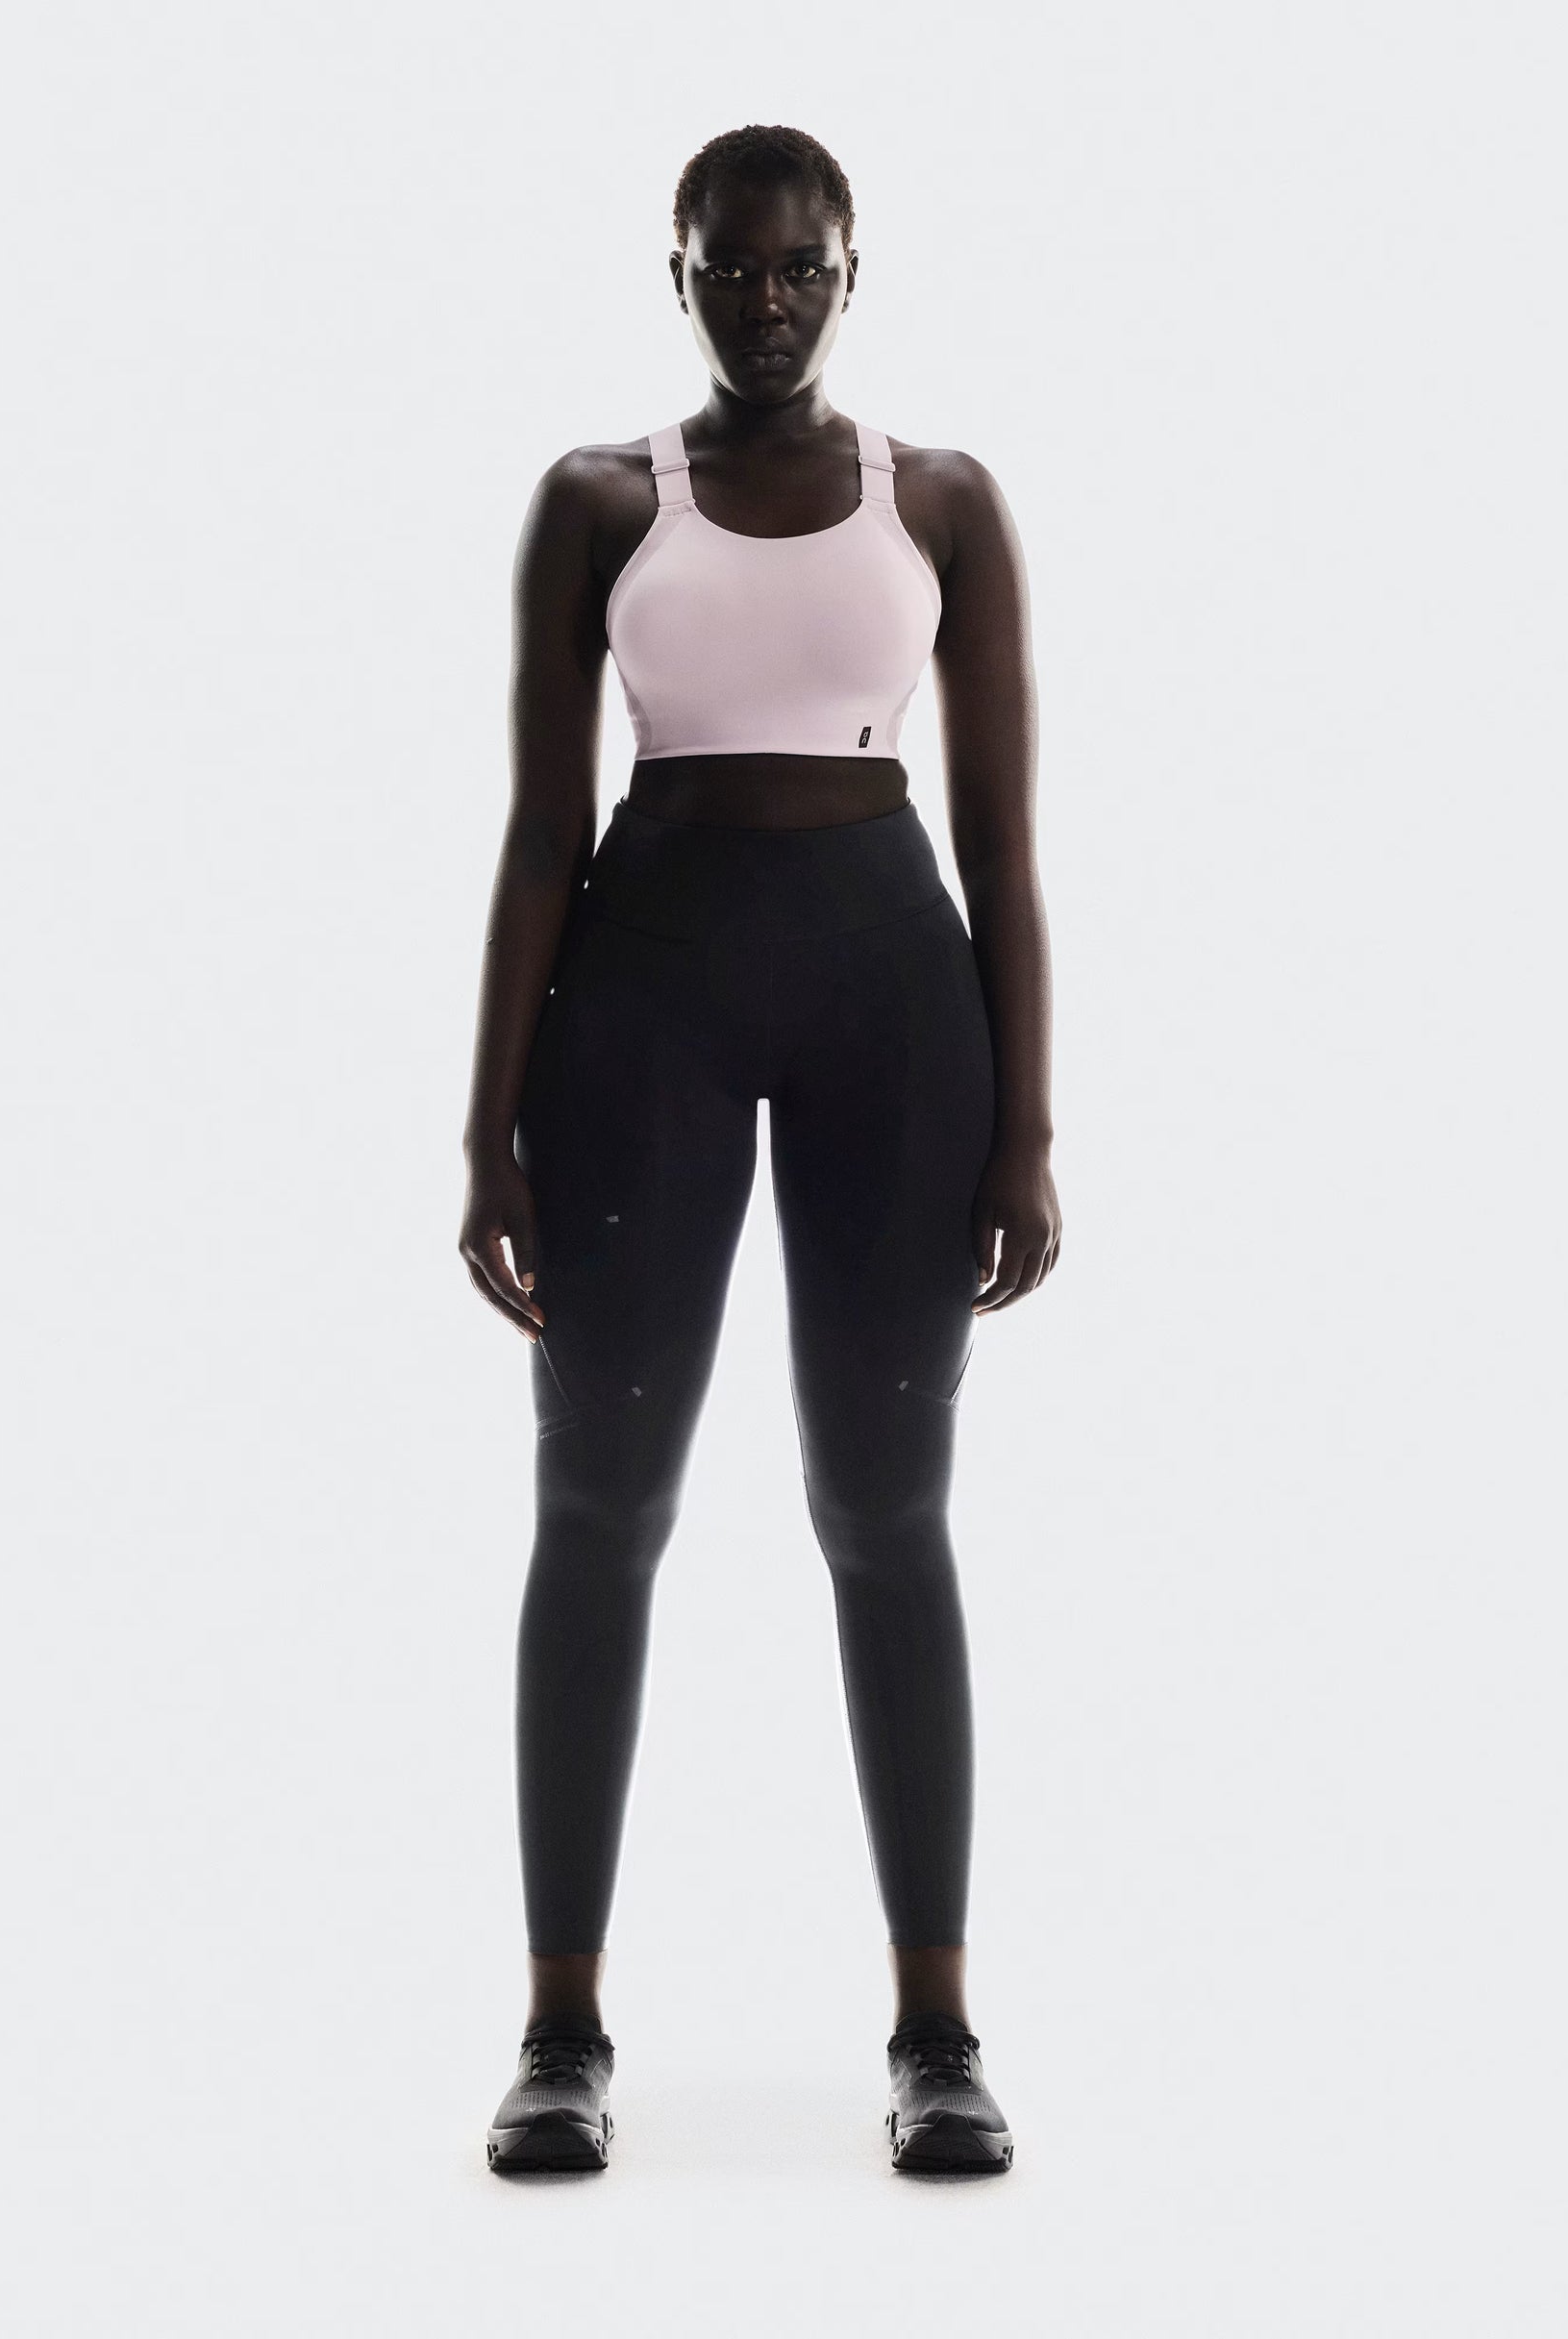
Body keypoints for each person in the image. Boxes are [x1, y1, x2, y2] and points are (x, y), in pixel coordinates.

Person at [459, 123, 1059, 2176]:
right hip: (644, 1007)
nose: (770, 300)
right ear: (681, 274)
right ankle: (558, 2030)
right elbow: (539, 831)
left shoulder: (942, 500)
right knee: (597, 1504)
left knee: (886, 1508)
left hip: (895, 1007)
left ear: (850, 269)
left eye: (802, 266)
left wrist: (1028, 1123)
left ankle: (937, 2030)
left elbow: (1003, 844)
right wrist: (484, 1124)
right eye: (732, 267)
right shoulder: (596, 499)